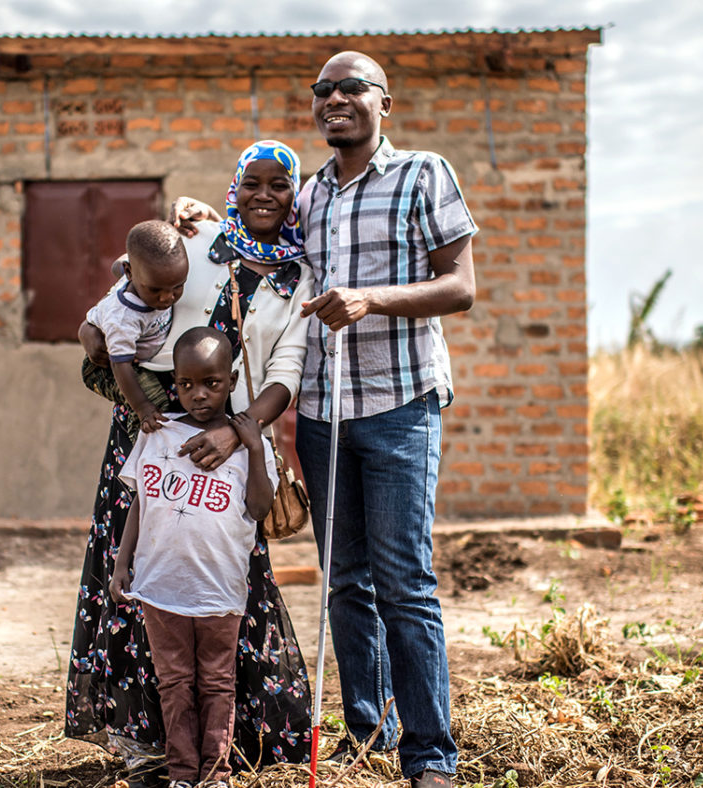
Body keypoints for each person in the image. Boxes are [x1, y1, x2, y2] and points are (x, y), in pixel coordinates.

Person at [171, 52, 477, 788]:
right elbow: (264, 230)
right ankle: (367, 732)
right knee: (345, 582)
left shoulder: (422, 174)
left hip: (401, 404)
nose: (335, 98)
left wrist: (372, 299)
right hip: (326, 415)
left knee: (404, 580)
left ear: (385, 103)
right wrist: (203, 217)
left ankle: (429, 756)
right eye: (323, 91)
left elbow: (461, 286)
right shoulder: (309, 194)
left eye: (352, 88)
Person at [66, 140, 317, 788]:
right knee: (140, 578)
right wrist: (101, 334)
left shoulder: (299, 280)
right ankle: (146, 743)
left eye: (279, 186)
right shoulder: (200, 242)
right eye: (252, 184)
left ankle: (230, 746)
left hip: (227, 453)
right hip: (153, 436)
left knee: (225, 586)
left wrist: (242, 434)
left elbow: (285, 371)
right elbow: (140, 298)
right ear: (234, 189)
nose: (265, 196)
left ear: (295, 197)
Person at [111, 327, 278, 788]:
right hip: (161, 587)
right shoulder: (158, 433)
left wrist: (256, 448)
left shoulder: (244, 443)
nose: (198, 395)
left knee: (218, 683)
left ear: (232, 377)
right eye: (186, 384)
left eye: (211, 383)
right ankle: (184, 774)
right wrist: (122, 563)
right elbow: (140, 503)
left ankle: (216, 774)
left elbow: (260, 508)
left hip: (218, 590)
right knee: (174, 683)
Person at [83, 220, 190, 432]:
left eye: (178, 286)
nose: (167, 297)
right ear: (130, 273)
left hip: (132, 359)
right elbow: (120, 365)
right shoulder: (124, 317)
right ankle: (141, 449)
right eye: (156, 289)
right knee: (155, 404)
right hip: (106, 367)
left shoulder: (150, 272)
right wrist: (143, 408)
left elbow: (120, 264)